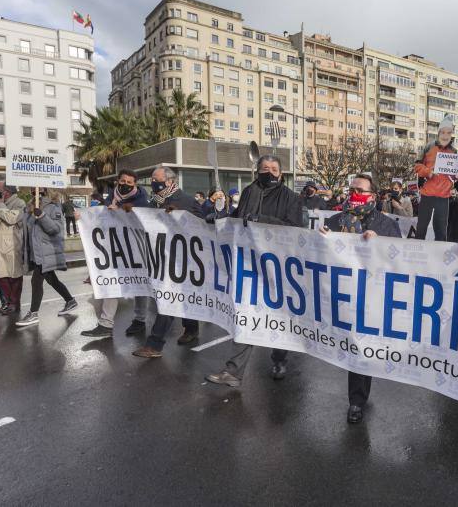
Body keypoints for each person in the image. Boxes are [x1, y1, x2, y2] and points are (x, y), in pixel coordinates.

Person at [206, 154, 303, 386]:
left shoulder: (291, 197)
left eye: (274, 168)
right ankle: (233, 372)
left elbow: (295, 228)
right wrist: (218, 215)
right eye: (265, 168)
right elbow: (239, 220)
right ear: (257, 170)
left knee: (277, 317)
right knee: (246, 315)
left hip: (277, 266)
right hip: (249, 265)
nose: (269, 171)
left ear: (281, 173)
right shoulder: (249, 191)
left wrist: (263, 219)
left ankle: (279, 358)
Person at [320, 174, 402, 424]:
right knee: (349, 344)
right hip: (342, 294)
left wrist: (380, 245)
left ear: (373, 197)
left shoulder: (386, 224)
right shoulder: (335, 221)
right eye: (352, 189)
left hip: (372, 296)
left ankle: (358, 399)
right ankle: (356, 400)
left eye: (360, 191)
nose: (354, 194)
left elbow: (399, 260)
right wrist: (321, 240)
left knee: (362, 346)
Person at [132, 167, 203, 357]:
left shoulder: (187, 201)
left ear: (170, 181)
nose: (154, 182)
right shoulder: (154, 202)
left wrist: (181, 215)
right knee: (182, 296)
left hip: (182, 260)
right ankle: (191, 329)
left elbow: (203, 226)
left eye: (157, 179)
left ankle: (154, 344)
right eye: (153, 179)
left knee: (168, 300)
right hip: (160, 258)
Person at [81, 170, 153, 338]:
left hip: (138, 249)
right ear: (117, 181)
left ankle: (140, 320)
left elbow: (143, 216)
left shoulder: (142, 198)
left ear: (135, 184)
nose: (126, 184)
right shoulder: (113, 195)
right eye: (123, 181)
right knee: (112, 281)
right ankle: (106, 324)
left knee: (140, 283)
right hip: (117, 248)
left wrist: (121, 209)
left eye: (130, 182)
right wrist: (83, 216)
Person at [16, 189, 77, 326]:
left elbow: (55, 229)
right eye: (33, 189)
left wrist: (42, 215)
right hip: (35, 252)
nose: (35, 191)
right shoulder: (29, 207)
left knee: (36, 281)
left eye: (39, 189)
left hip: (46, 251)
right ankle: (70, 300)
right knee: (52, 279)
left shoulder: (54, 207)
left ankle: (33, 313)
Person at [413, 116, 457, 240]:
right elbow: (417, 165)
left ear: (451, 134)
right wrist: (428, 172)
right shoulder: (428, 147)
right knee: (421, 228)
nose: (445, 135)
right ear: (438, 133)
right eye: (443, 132)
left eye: (448, 132)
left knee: (441, 231)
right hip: (427, 194)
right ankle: (417, 254)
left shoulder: (455, 152)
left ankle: (440, 257)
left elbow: (456, 175)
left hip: (444, 197)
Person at [0, 182, 27, 315]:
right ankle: (7, 302)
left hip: (12, 244)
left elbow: (12, 218)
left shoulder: (19, 202)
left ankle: (14, 303)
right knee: (1, 275)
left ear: (7, 191)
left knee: (14, 275)